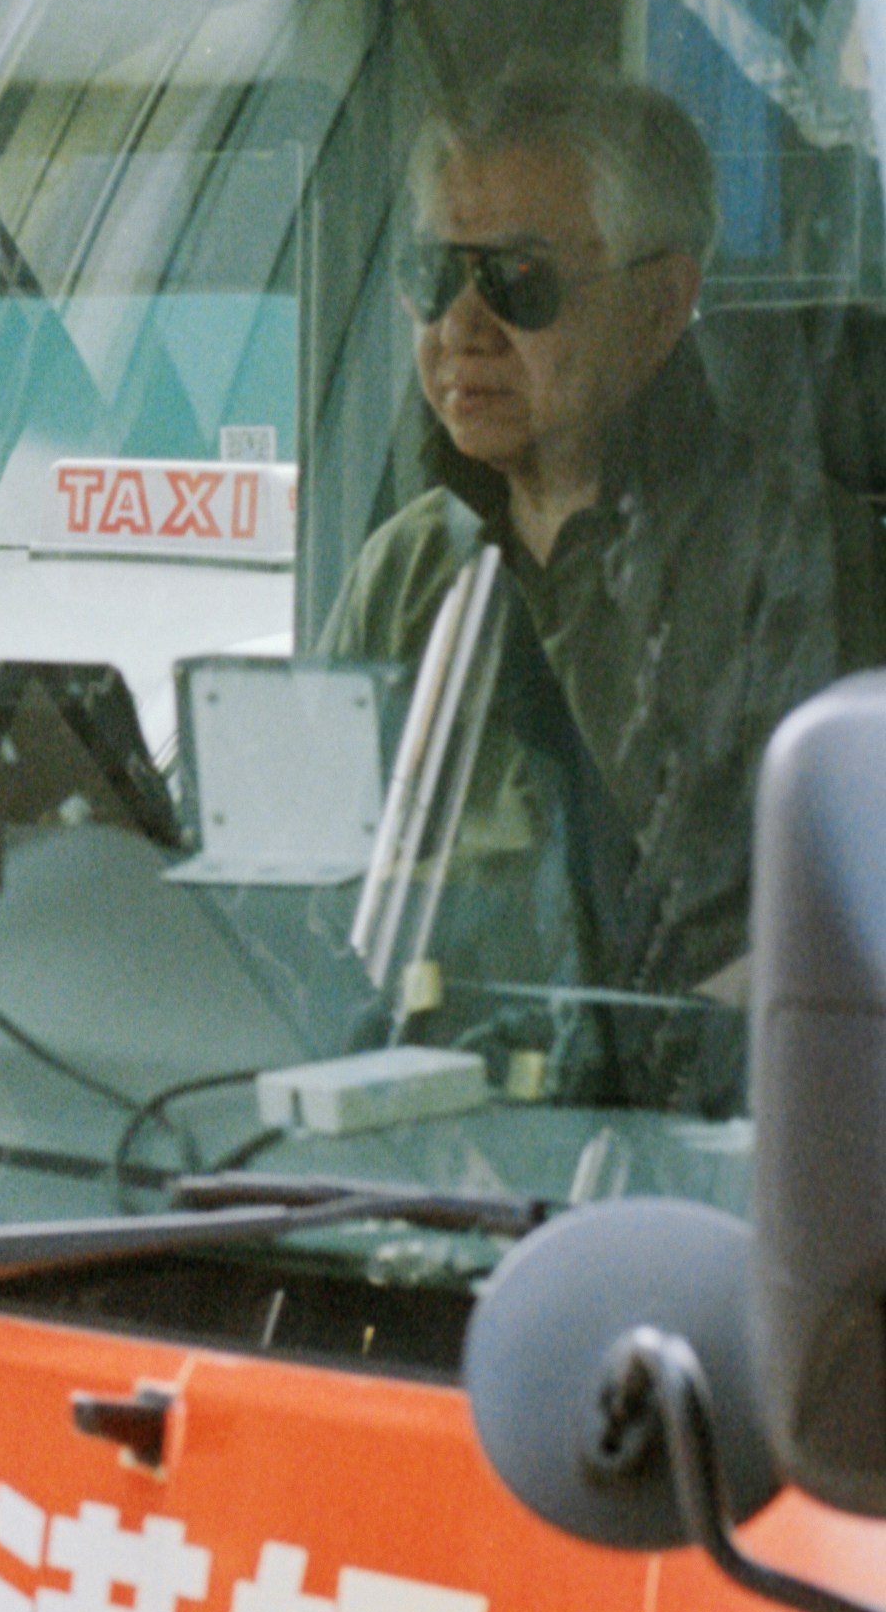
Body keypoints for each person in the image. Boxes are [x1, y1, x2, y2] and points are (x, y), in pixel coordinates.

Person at [327, 60, 886, 1033]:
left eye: (517, 282)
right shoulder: (406, 568)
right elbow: (312, 878)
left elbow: (837, 934)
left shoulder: (801, 563)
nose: (461, 327)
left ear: (662, 305)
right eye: (432, 276)